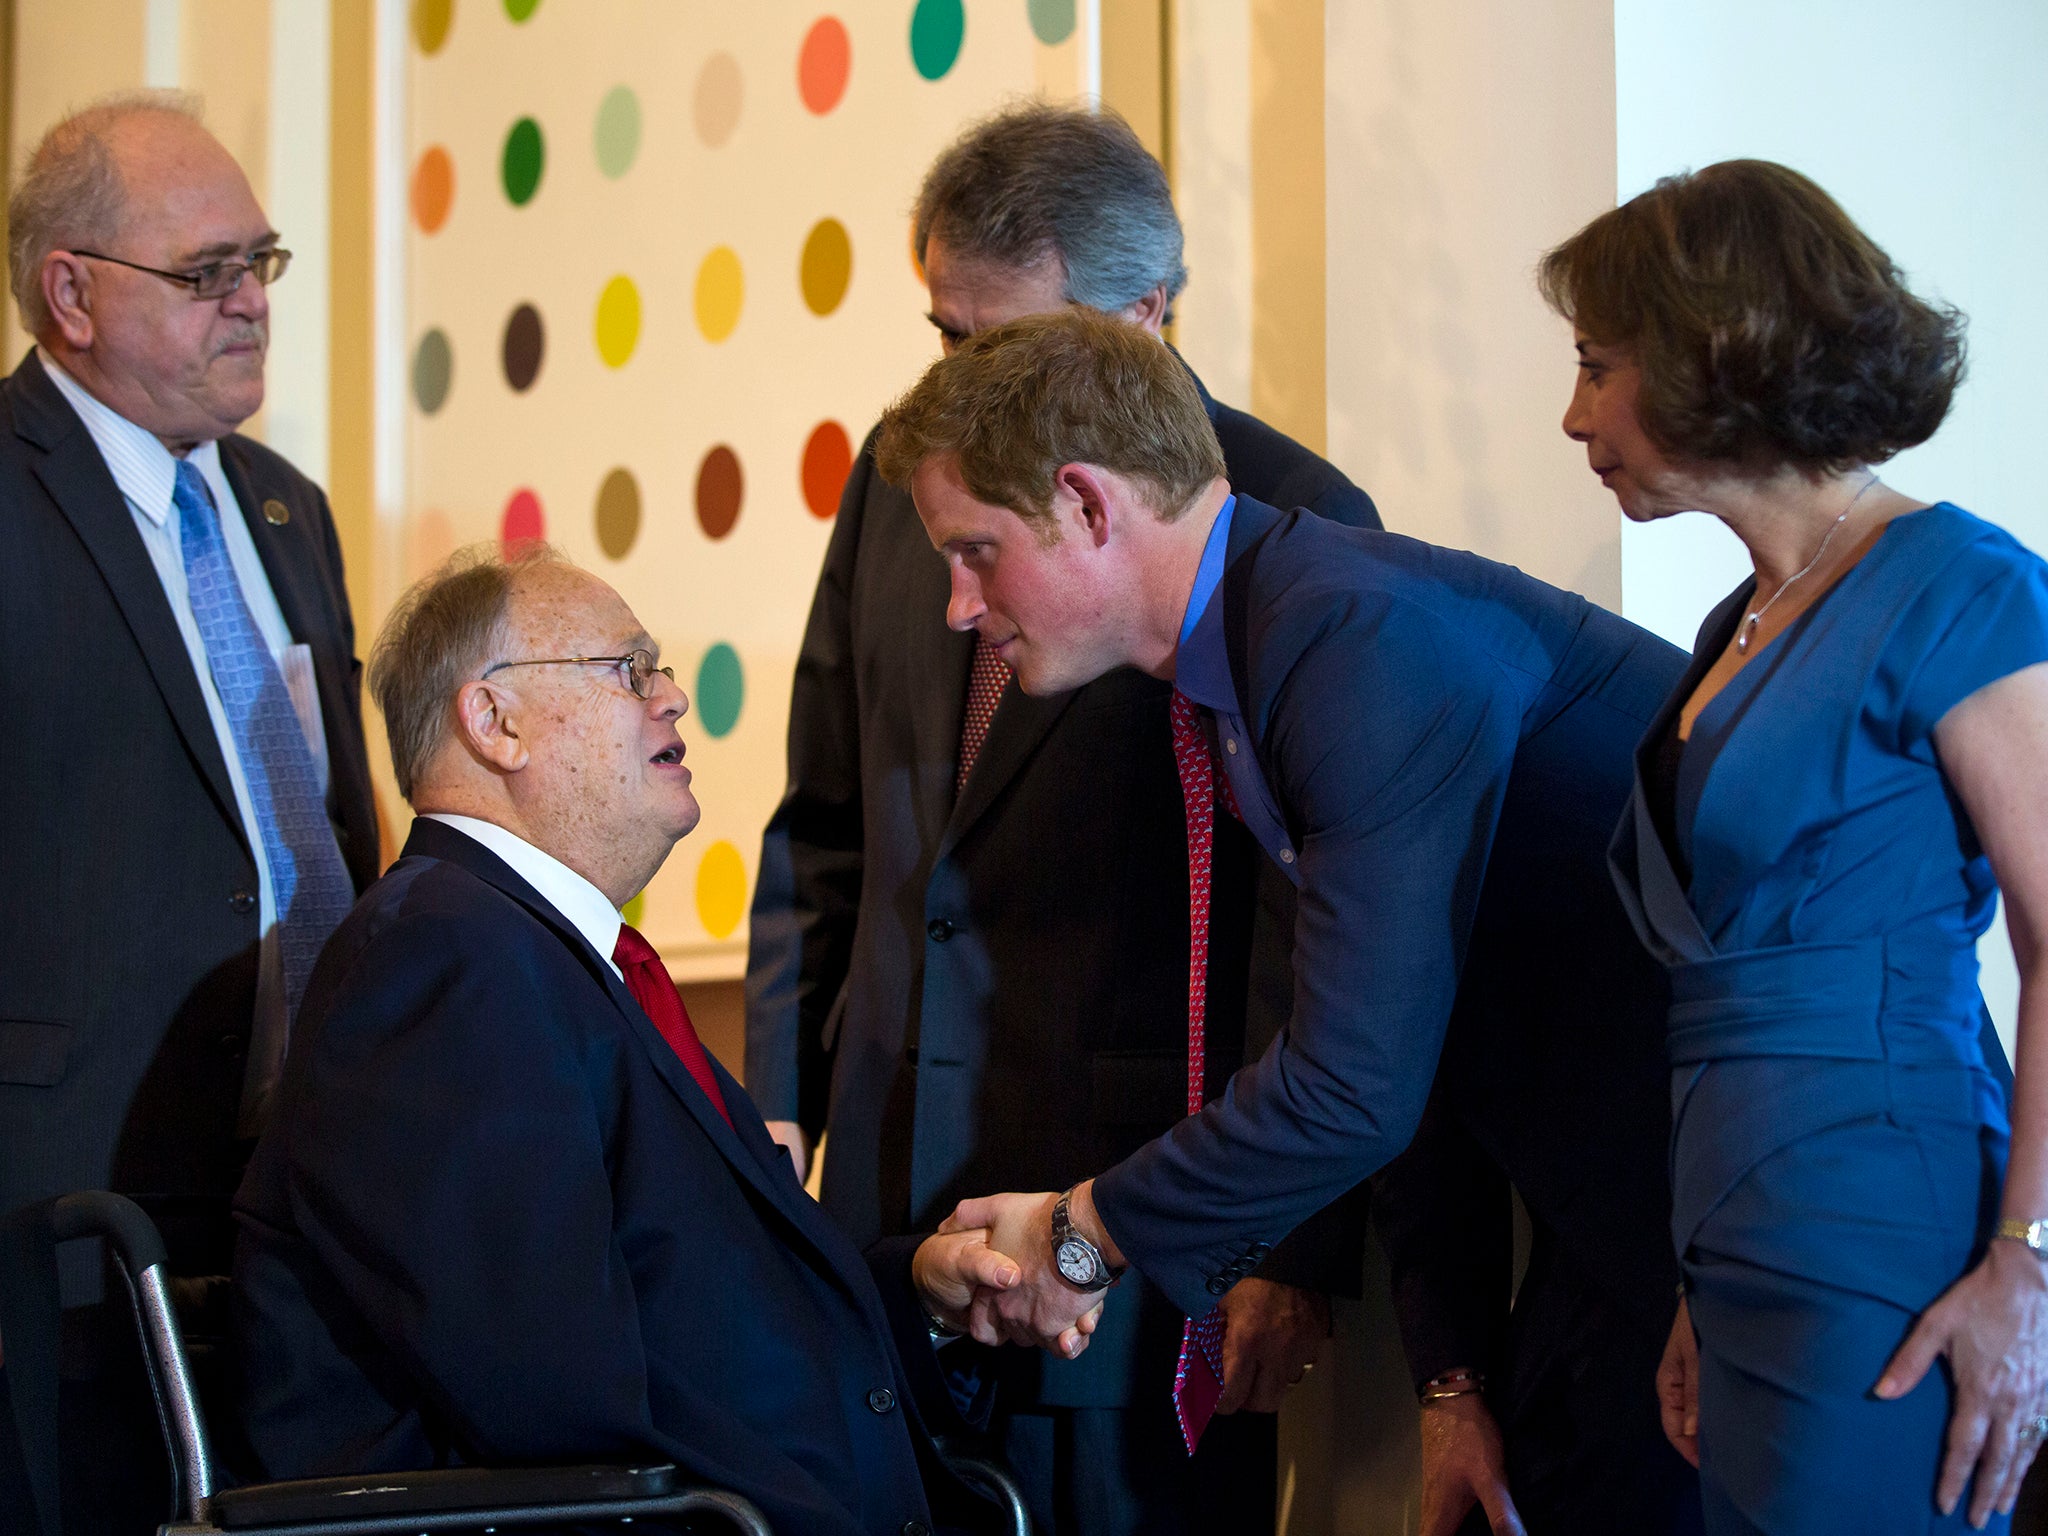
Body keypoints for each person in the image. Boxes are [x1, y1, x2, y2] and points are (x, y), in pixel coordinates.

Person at [869, 307, 1695, 1519]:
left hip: (1742, 1222)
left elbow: (1353, 1080)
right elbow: (1420, 1022)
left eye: (975, 551)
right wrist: (1453, 1376)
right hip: (1614, 1231)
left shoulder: (1345, 637)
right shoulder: (1267, 634)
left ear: (1088, 505)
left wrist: (1082, 1232)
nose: (953, 605)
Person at [745, 103, 1378, 1532]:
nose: (959, 378)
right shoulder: (895, 478)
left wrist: (1282, 1246)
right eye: (943, 334)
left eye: (999, 342)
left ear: (1141, 313)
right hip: (885, 1193)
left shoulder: (1290, 514)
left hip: (1132, 1222)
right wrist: (775, 1103)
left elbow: (1313, 922)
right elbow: (828, 812)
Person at [234, 547, 1046, 1536]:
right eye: (629, 669)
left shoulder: (559, 958)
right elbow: (548, 1397)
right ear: (494, 723)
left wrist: (916, 1288)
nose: (672, 700)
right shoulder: (445, 956)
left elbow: (701, 1305)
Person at [1541, 159, 2048, 1535]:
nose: (1575, 412)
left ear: (1719, 354)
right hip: (1737, 1226)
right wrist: (1703, 1287)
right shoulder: (1742, 623)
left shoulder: (1961, 584)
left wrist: (2026, 1262)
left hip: (1887, 1223)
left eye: (1599, 366)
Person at [0, 92, 376, 1534]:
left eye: (260, 265)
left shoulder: (289, 509)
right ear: (71, 292)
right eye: (206, 272)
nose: (249, 307)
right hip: (65, 1188)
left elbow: (337, 828)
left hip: (293, 1178)